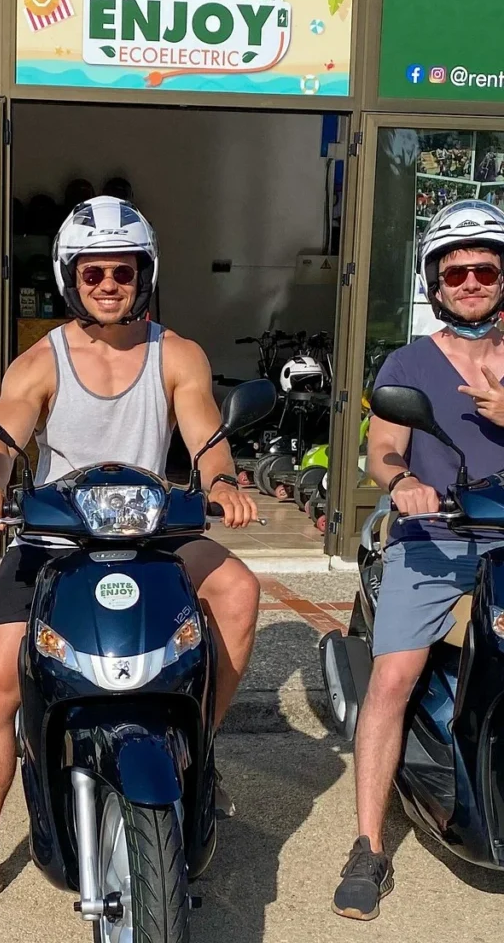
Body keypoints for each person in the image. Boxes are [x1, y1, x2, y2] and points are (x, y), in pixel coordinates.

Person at [0, 196, 261, 926]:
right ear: (69, 277)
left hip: (151, 531)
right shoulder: (39, 361)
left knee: (238, 590)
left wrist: (223, 485)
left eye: (122, 271)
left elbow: (207, 438)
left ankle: (196, 750)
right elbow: (0, 440)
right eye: (93, 273)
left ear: (145, 274)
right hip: (55, 537)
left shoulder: (178, 354)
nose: (108, 284)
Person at [333, 199, 504, 921]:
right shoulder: (407, 362)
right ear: (434, 282)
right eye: (455, 272)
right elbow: (382, 449)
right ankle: (368, 845)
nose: (470, 283)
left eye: (484, 269)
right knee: (394, 677)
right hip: (436, 538)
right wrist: (403, 483)